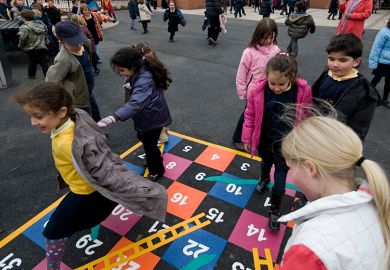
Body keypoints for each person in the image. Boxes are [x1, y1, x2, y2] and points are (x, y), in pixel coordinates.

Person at [12, 82, 168, 269]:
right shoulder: (75, 116)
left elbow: (102, 171)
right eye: (30, 116)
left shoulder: (69, 144)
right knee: (95, 211)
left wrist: (135, 188)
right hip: (86, 189)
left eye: (38, 116)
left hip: (85, 193)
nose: (33, 122)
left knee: (53, 231)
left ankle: (52, 266)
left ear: (61, 112)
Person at [278, 116, 389, 270]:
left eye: (291, 168)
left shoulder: (310, 248)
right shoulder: (376, 200)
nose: (291, 175)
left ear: (311, 168)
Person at [242, 54, 312, 231]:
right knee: (265, 162)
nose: (277, 88)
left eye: (282, 84)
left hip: (286, 145)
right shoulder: (258, 90)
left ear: (293, 77)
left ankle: (274, 210)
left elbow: (306, 117)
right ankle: (264, 178)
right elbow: (250, 115)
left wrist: (304, 142)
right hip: (265, 139)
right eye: (273, 83)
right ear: (267, 76)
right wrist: (247, 137)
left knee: (280, 178)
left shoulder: (302, 92)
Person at [97, 47, 172, 181]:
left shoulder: (144, 80)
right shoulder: (142, 70)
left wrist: (113, 117)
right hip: (150, 116)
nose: (121, 73)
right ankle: (154, 159)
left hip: (152, 119)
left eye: (122, 70)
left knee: (150, 146)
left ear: (133, 66)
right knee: (146, 140)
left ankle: (157, 170)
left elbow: (135, 103)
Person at [312, 33, 380, 141]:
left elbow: (359, 130)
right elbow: (311, 99)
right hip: (314, 132)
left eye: (342, 60)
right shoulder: (326, 75)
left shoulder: (365, 92)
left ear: (356, 62)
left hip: (336, 141)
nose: (335, 64)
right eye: (331, 58)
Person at [233, 18, 281, 151]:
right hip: (253, 91)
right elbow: (241, 74)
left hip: (270, 90)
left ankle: (258, 137)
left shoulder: (276, 50)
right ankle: (238, 138)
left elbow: (280, 68)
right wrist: (242, 92)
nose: (267, 41)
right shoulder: (249, 52)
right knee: (247, 115)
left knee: (264, 114)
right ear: (257, 35)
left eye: (271, 37)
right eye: (264, 38)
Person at [46, 21, 91, 114]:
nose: (79, 45)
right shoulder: (63, 59)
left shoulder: (85, 46)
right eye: (74, 43)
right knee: (84, 120)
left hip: (87, 92)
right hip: (77, 100)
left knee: (95, 114)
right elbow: (52, 82)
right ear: (62, 41)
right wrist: (58, 102)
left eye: (80, 40)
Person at [132, 42, 170, 144]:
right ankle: (163, 131)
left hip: (149, 103)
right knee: (158, 116)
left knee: (153, 120)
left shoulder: (143, 69)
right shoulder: (154, 63)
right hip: (157, 97)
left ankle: (162, 136)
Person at [18, 9, 49, 79]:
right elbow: (45, 33)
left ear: (23, 18)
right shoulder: (41, 24)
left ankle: (31, 75)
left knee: (32, 62)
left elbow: (23, 38)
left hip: (31, 48)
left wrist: (20, 45)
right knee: (44, 62)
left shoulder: (24, 27)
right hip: (42, 46)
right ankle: (48, 76)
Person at [369, 17, 390, 109]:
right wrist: (373, 62)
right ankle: (367, 94)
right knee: (377, 78)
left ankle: (385, 99)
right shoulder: (384, 32)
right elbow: (376, 48)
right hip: (383, 62)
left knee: (389, 82)